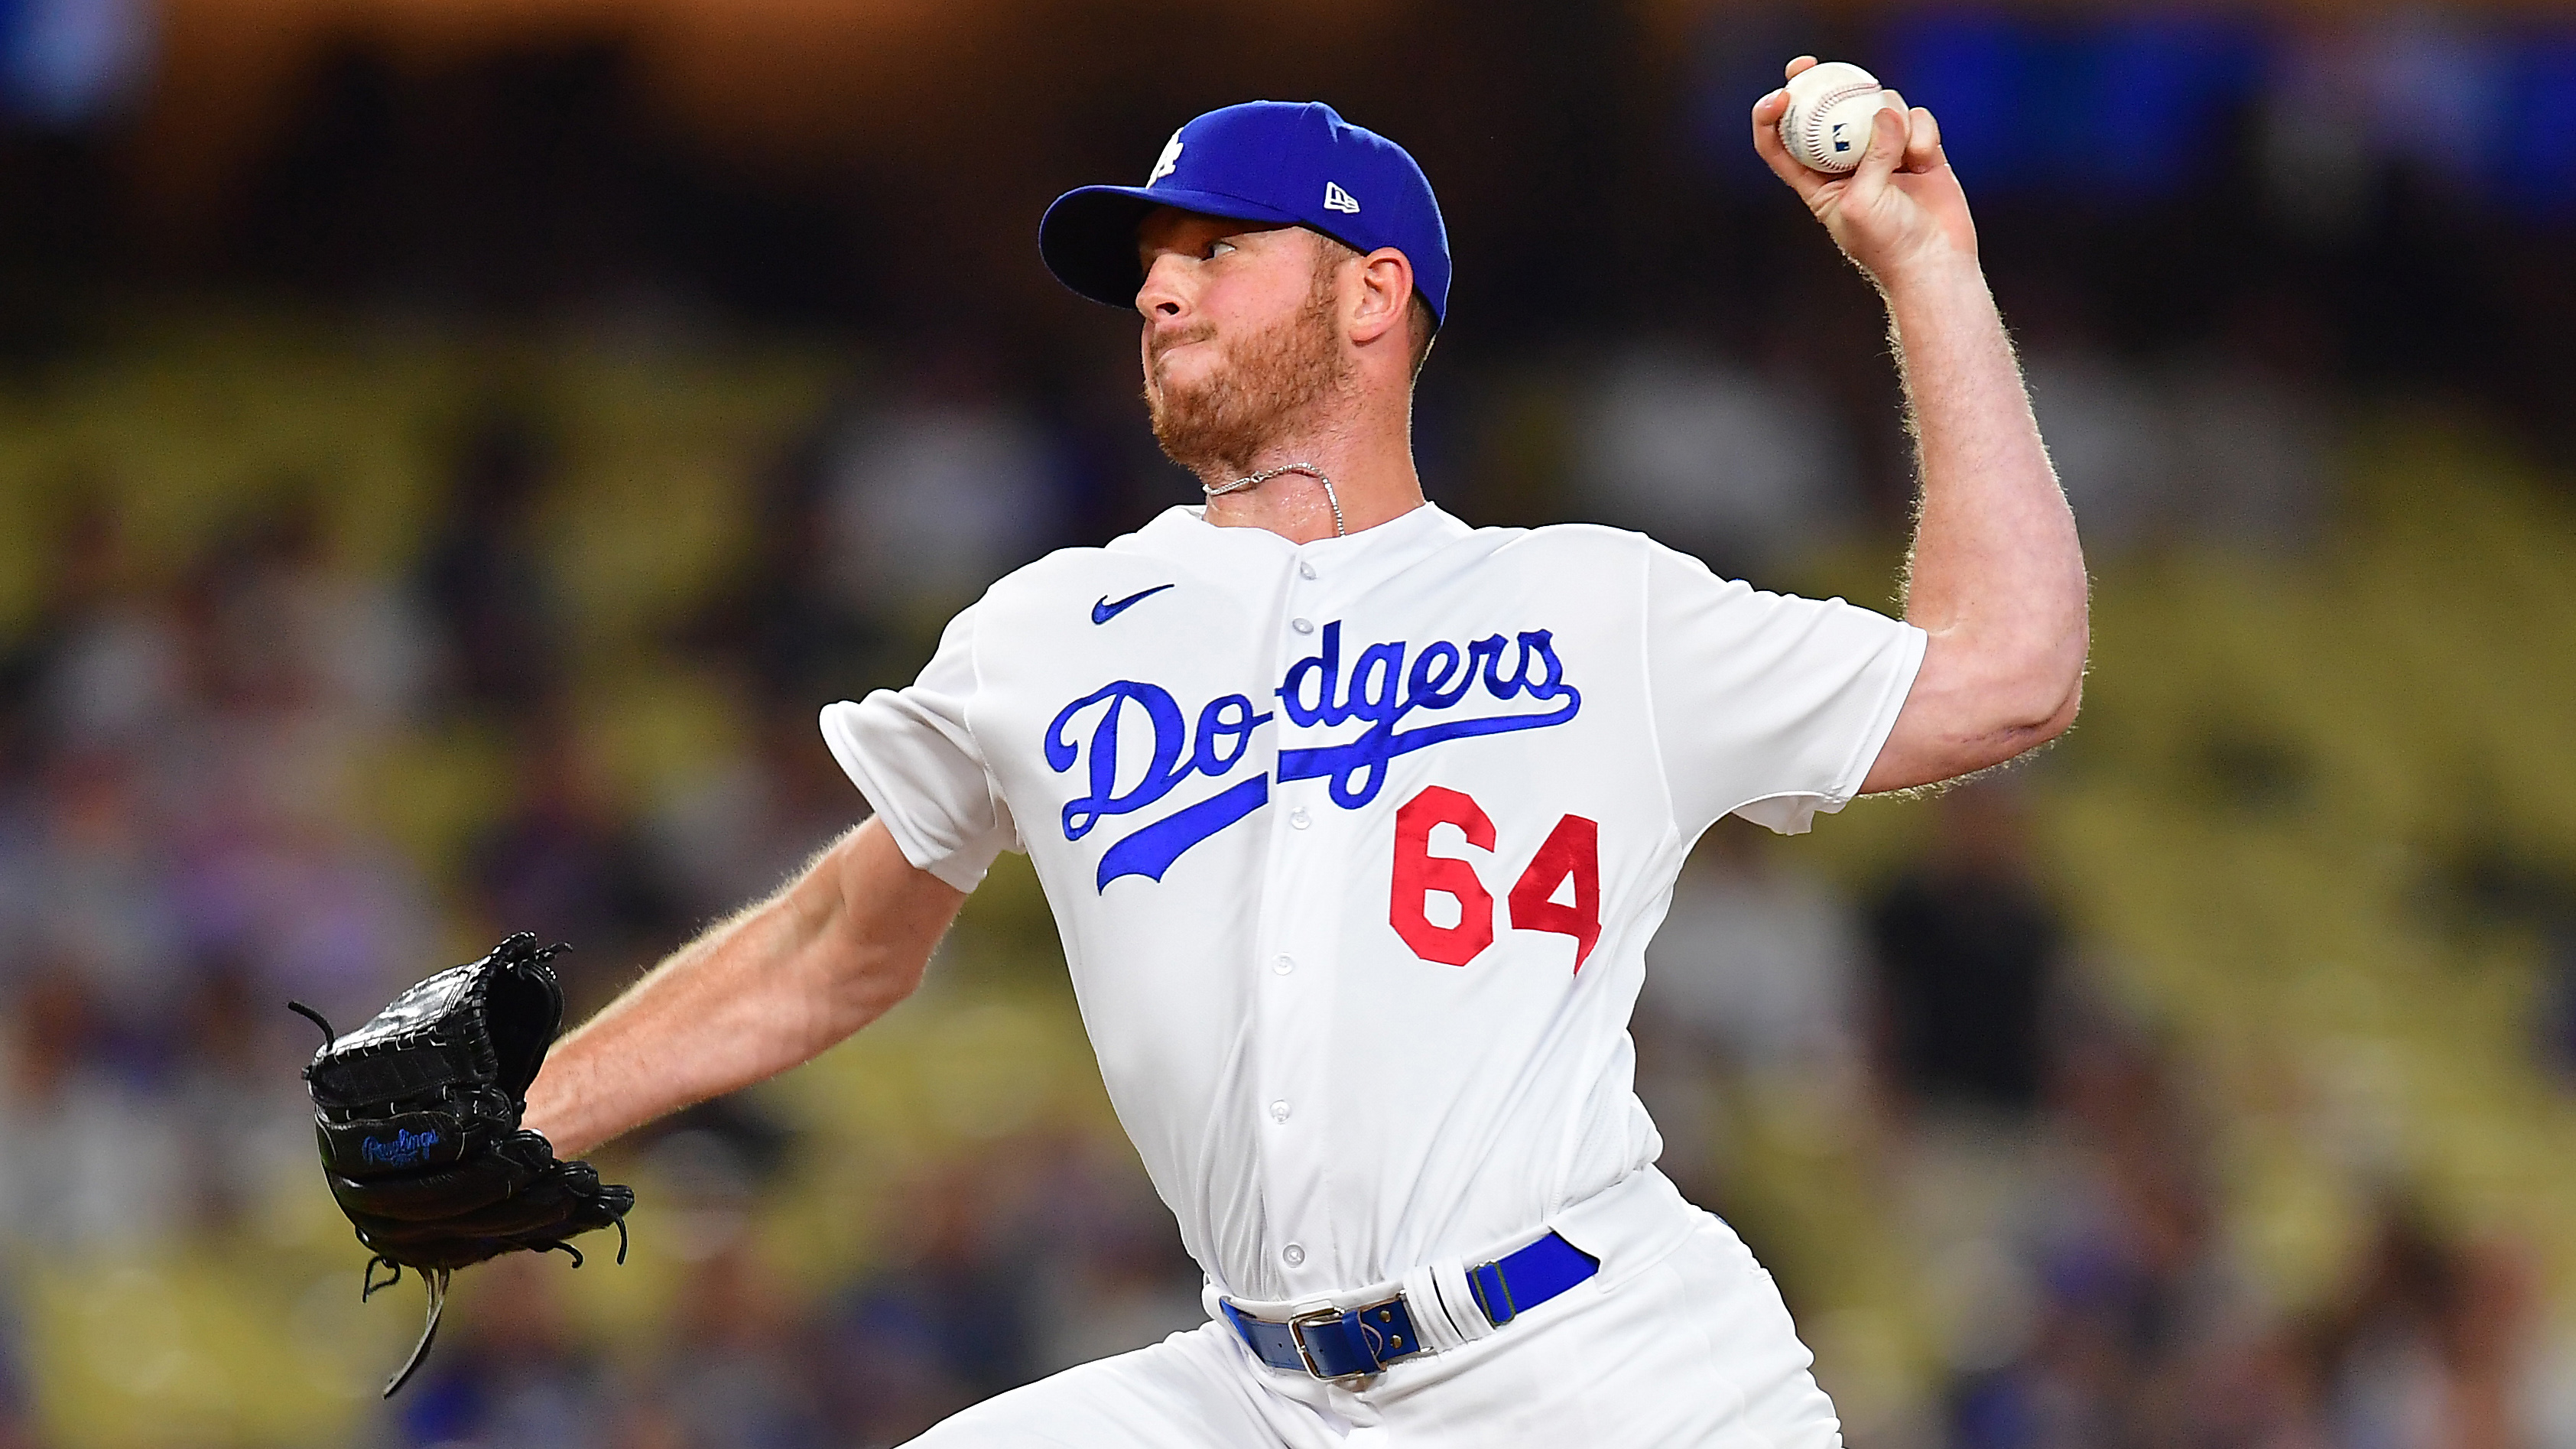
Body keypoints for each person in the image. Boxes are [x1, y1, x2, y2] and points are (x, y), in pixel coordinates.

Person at [521, 60, 2088, 1446]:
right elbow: (829, 946)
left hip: (1602, 1370)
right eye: (1149, 264)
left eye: (1216, 249)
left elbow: (2009, 675)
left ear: (1369, 296)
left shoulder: (1594, 606)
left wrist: (1927, 271)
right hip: (1258, 1392)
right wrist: (513, 1122)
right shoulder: (1050, 632)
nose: (1159, 291)